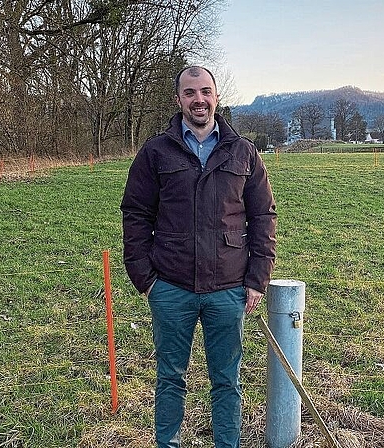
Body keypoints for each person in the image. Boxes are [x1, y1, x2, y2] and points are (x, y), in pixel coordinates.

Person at [120, 65, 277, 448]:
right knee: (170, 377)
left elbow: (263, 216)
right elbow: (135, 212)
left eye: (205, 91)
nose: (198, 99)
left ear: (217, 96)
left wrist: (257, 278)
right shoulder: (156, 152)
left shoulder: (243, 152)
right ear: (178, 100)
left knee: (226, 380)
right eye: (190, 93)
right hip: (170, 288)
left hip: (229, 289)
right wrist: (146, 279)